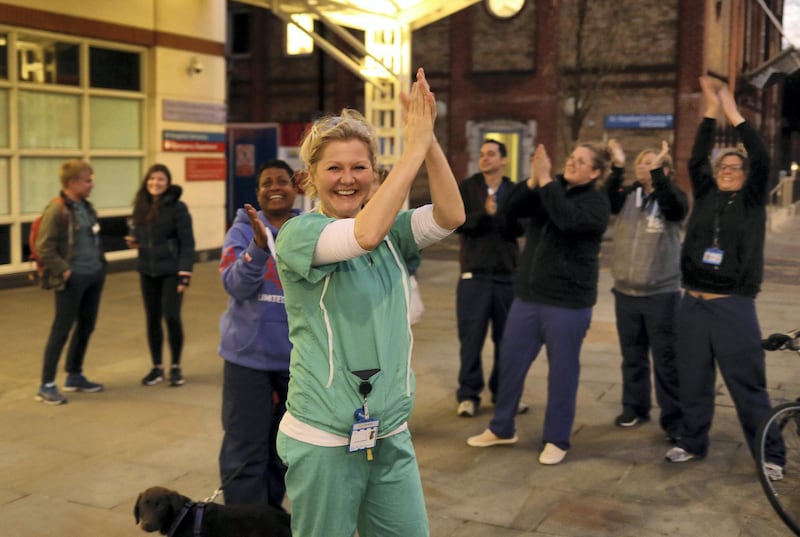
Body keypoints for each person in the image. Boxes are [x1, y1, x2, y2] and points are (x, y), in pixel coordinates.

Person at [274, 67, 465, 537]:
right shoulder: (299, 235)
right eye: (334, 168)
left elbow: (452, 215)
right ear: (311, 178)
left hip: (390, 433)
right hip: (323, 439)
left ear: (374, 173)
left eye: (359, 167)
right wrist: (413, 149)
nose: (347, 179)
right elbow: (362, 234)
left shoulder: (393, 233)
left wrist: (429, 138)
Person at [664, 76, 785, 481]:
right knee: (693, 380)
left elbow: (763, 158)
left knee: (747, 384)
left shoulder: (752, 200)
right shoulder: (706, 191)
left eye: (737, 166)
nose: (729, 170)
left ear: (746, 174)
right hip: (693, 303)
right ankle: (692, 441)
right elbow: (696, 157)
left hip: (732, 304)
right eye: (724, 166)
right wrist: (709, 105)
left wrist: (732, 112)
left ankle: (770, 453)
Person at [467, 142, 612, 466]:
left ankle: (557, 439)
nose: (572, 164)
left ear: (596, 172)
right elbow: (508, 212)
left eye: (581, 161)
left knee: (562, 373)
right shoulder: (551, 187)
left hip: (568, 303)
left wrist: (545, 182)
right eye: (571, 157)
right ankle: (502, 427)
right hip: (528, 297)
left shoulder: (596, 203)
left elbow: (567, 221)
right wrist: (532, 182)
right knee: (510, 364)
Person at [217, 159, 300, 509]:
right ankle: (243, 523)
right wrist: (258, 244)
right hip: (247, 358)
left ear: (295, 188)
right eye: (267, 182)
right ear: (258, 192)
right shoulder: (240, 232)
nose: (275, 187)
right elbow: (235, 285)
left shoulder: (309, 228)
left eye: (282, 180)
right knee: (244, 447)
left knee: (285, 448)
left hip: (297, 360)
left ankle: (269, 520)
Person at [606, 139, 687, 440]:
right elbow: (606, 201)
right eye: (640, 162)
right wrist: (617, 165)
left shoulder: (672, 198)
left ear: (664, 170)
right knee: (632, 356)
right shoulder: (629, 195)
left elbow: (677, 210)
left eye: (651, 162)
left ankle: (675, 421)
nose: (643, 166)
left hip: (660, 294)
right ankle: (634, 408)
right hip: (625, 293)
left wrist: (659, 179)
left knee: (666, 359)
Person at [454, 139, 523, 417]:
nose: (485, 159)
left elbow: (523, 227)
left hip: (507, 277)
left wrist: (501, 216)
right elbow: (457, 221)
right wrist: (484, 214)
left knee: (507, 340)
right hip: (474, 276)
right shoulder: (469, 187)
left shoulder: (514, 190)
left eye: (491, 154)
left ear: (504, 160)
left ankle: (502, 393)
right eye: (482, 154)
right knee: (471, 339)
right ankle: (469, 395)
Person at [35, 159, 106, 405]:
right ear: (72, 182)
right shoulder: (57, 209)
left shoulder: (86, 206)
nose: (92, 185)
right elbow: (43, 247)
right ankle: (46, 385)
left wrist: (100, 267)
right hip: (72, 278)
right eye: (88, 180)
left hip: (94, 275)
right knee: (61, 329)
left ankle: (74, 375)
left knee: (86, 325)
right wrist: (64, 271)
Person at [126, 164, 195, 387]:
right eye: (151, 179)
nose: (155, 183)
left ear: (167, 183)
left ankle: (175, 366)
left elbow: (187, 242)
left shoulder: (177, 207)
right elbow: (141, 233)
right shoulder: (142, 205)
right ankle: (157, 367)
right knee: (152, 320)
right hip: (147, 270)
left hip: (172, 271)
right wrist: (136, 240)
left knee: (172, 317)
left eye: (160, 180)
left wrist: (185, 273)